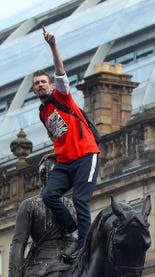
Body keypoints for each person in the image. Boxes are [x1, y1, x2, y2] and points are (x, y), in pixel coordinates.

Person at [35, 27, 100, 252]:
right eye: (37, 83)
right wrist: (54, 153)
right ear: (34, 90)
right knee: (49, 196)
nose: (40, 85)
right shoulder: (42, 113)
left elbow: (60, 69)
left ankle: (84, 248)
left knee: (81, 200)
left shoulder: (62, 95)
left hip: (85, 156)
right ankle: (73, 231)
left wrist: (53, 45)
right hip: (64, 162)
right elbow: (62, 135)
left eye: (43, 82)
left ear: (51, 85)